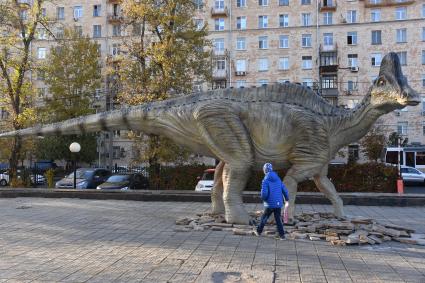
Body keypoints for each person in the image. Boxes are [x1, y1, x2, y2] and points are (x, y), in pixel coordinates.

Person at [254, 163, 289, 240]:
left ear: (265, 170)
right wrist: (287, 198)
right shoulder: (278, 179)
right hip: (278, 204)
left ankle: (258, 232)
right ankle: (282, 236)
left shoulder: (265, 180)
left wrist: (264, 199)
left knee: (264, 218)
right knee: (278, 219)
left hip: (269, 204)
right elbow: (285, 190)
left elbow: (264, 193)